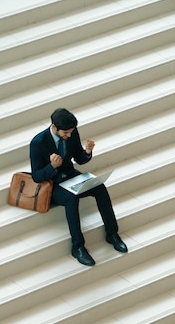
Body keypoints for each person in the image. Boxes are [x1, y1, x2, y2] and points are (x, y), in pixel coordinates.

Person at [29, 108, 127, 266]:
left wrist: (87, 152)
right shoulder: (38, 142)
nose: (69, 135)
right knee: (71, 198)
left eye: (71, 132)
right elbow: (36, 176)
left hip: (70, 175)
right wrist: (52, 167)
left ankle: (112, 234)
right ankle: (78, 247)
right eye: (66, 133)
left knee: (99, 187)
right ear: (54, 127)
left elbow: (79, 158)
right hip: (53, 184)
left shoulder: (72, 133)